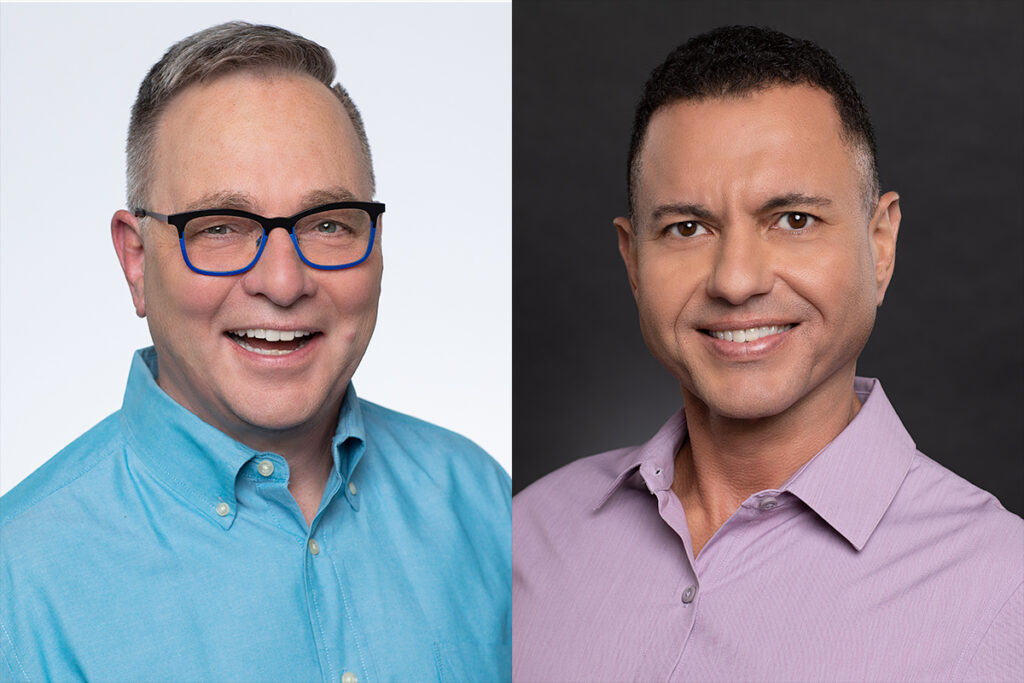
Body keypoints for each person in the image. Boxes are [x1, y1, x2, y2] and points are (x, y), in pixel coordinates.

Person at [0, 22, 510, 682]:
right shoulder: (18, 583)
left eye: (327, 223)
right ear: (135, 260)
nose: (283, 282)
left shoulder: (484, 504)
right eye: (220, 228)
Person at [513, 25, 1022, 682]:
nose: (737, 280)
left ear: (881, 245)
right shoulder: (523, 538)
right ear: (633, 259)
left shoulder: (1003, 590)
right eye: (687, 228)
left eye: (793, 219)